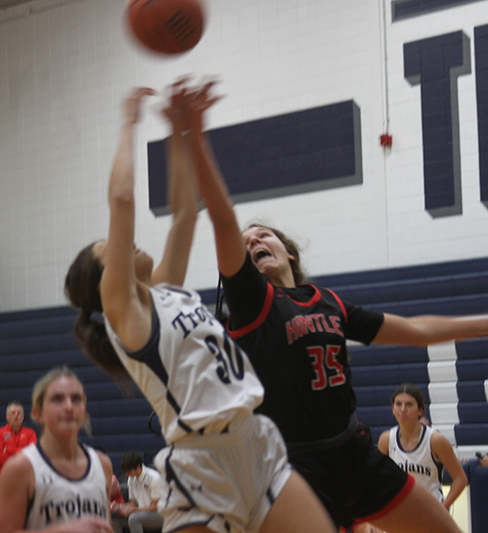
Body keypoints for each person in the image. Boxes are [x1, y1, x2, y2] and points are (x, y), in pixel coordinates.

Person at [181, 78, 488, 533]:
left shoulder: (327, 302)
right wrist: (197, 139)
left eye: (263, 235)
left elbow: (416, 330)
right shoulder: (252, 303)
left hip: (353, 450)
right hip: (293, 464)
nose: (253, 242)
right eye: (247, 244)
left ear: (289, 253)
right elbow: (225, 222)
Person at [64, 84, 334, 533]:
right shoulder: (125, 317)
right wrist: (129, 123)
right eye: (110, 248)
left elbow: (186, 212)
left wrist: (178, 134)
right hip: (202, 463)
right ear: (105, 282)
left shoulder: (167, 293)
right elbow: (123, 201)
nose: (126, 241)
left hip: (256, 441)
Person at [0, 367, 113, 533]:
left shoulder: (102, 464)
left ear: (84, 410)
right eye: (58, 399)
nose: (69, 406)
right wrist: (65, 530)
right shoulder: (19, 468)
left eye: (76, 399)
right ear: (38, 413)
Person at [377, 384, 467, 510]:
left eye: (409, 405)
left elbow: (460, 479)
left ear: (420, 410)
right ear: (392, 408)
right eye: (398, 404)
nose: (403, 409)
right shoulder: (386, 439)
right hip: (399, 512)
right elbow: (377, 479)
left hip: (430, 511)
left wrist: (443, 507)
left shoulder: (435, 440)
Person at [112, 452, 164, 533]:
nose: (127, 474)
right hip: (141, 513)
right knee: (114, 517)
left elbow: (155, 507)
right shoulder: (131, 479)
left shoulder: (154, 478)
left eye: (129, 471)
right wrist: (119, 507)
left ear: (138, 467)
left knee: (134, 518)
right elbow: (134, 503)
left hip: (158, 515)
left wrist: (134, 510)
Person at [0, 401, 37, 489]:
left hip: (25, 481)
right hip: (3, 481)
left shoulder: (30, 433)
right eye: (13, 413)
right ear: (7, 417)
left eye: (19, 413)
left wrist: (9, 449)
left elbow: (32, 456)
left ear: (22, 417)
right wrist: (22, 453)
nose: (16, 416)